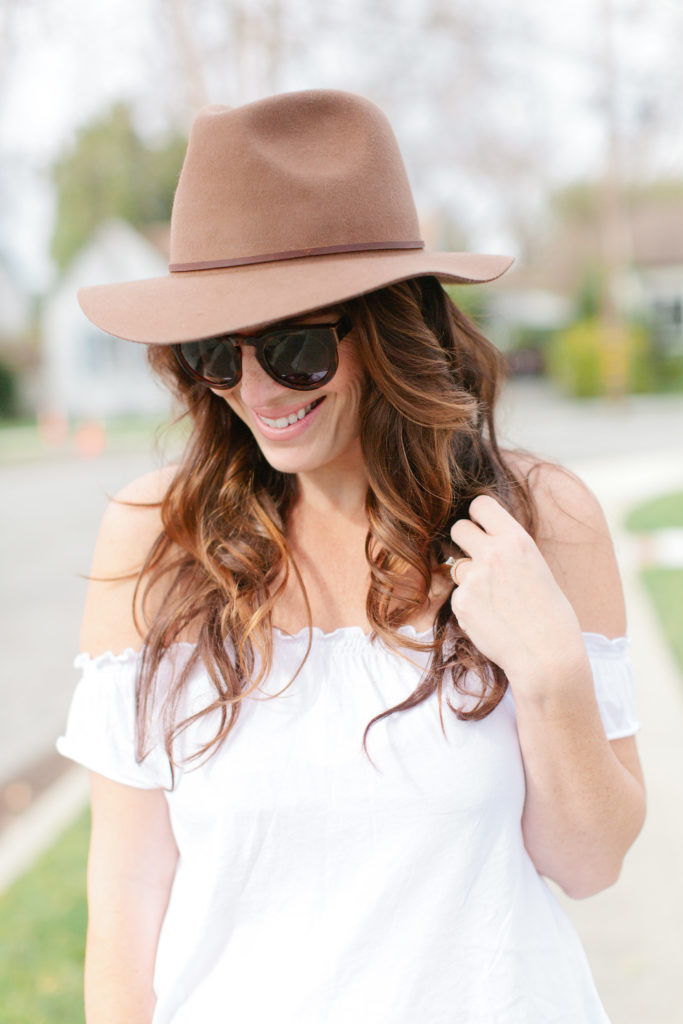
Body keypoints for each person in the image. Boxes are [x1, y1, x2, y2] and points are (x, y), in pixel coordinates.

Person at [58, 90, 645, 1024]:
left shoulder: (540, 520)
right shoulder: (157, 541)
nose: (255, 391)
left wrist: (550, 673)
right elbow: (124, 906)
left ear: (388, 328)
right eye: (216, 352)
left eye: (294, 349)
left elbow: (589, 864)